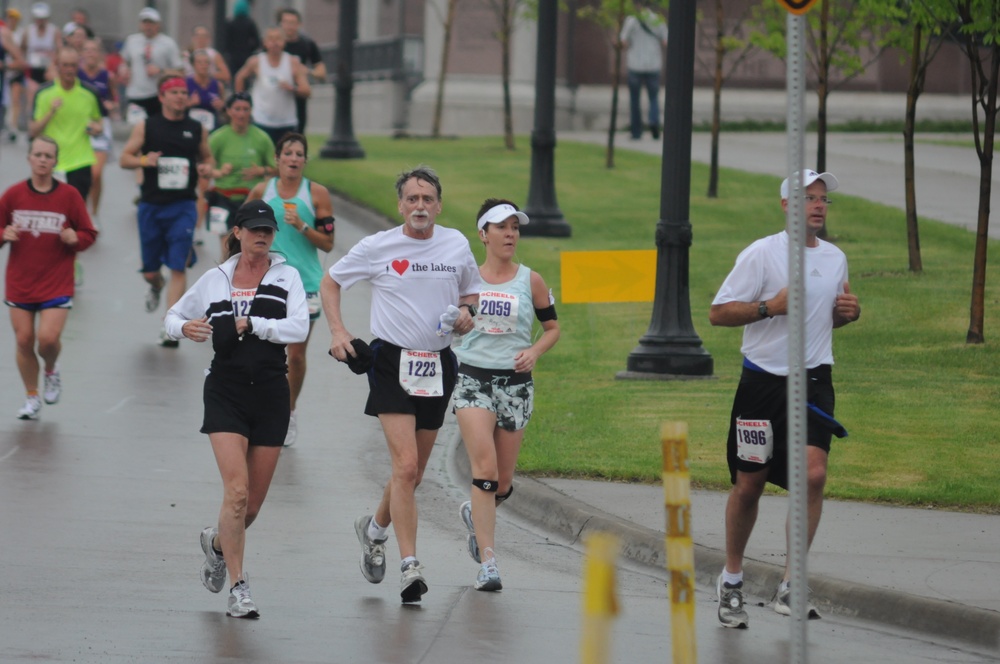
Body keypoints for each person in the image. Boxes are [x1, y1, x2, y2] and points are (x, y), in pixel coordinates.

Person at [708, 169, 861, 629]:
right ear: (786, 206)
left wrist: (846, 316)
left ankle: (792, 585)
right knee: (749, 484)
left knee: (813, 474)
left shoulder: (835, 259)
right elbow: (718, 313)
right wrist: (767, 308)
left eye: (822, 199)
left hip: (814, 381)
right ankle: (732, 579)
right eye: (807, 198)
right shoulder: (761, 253)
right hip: (762, 386)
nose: (817, 205)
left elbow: (821, 319)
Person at [320, 165, 480, 603]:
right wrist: (337, 331)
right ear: (400, 205)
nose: (420, 206)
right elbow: (331, 280)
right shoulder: (379, 246)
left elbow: (472, 293)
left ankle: (373, 530)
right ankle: (411, 567)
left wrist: (468, 312)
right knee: (405, 467)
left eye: (428, 199)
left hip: (438, 363)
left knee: (414, 473)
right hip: (391, 362)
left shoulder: (456, 243)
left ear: (439, 205)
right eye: (412, 199)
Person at [163, 200, 309, 618]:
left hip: (270, 392)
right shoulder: (215, 279)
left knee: (252, 507)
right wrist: (183, 328)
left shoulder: (287, 276)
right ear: (238, 232)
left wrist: (253, 324)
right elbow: (172, 317)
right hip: (225, 390)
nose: (262, 236)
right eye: (254, 229)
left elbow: (298, 326)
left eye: (269, 230)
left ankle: (214, 543)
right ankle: (239, 587)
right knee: (238, 492)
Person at [453, 199, 560, 591]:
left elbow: (552, 328)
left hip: (514, 386)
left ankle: (476, 517)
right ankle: (489, 563)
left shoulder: (530, 280)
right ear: (483, 235)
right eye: (502, 227)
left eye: (515, 227)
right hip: (472, 379)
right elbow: (448, 325)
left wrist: (534, 351)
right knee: (484, 471)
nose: (511, 234)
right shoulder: (467, 280)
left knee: (503, 483)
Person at [0, 135, 97, 420]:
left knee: (47, 340)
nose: (43, 160)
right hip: (20, 282)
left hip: (56, 281)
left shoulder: (69, 196)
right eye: (38, 155)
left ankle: (51, 371)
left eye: (48, 156)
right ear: (29, 158)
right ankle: (32, 397)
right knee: (23, 340)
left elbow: (88, 234)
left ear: (56, 162)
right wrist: (3, 234)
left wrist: (74, 237)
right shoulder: (13, 195)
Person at [246, 132, 333, 446]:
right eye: (288, 154)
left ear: (305, 161)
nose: (294, 159)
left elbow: (328, 242)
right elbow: (243, 230)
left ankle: (288, 412)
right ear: (277, 159)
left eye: (299, 154)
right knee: (263, 351)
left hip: (306, 284)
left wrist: (302, 226)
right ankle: (262, 410)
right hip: (267, 282)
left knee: (295, 355)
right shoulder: (262, 190)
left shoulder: (317, 194)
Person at [119, 74, 214, 346]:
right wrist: (143, 160)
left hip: (183, 205)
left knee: (178, 265)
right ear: (162, 97)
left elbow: (207, 157)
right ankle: (155, 285)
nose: (180, 97)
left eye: (184, 92)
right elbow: (125, 158)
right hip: (151, 205)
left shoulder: (196, 128)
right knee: (151, 270)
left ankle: (170, 325)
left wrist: (206, 167)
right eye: (174, 92)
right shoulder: (147, 127)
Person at [205, 92, 276, 258]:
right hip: (222, 197)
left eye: (246, 109)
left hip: (250, 199)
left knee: (248, 251)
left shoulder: (261, 138)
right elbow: (205, 168)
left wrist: (261, 171)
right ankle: (226, 280)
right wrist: (219, 172)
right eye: (237, 109)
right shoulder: (217, 137)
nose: (241, 114)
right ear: (228, 111)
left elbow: (277, 169)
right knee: (228, 249)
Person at [30, 47, 103, 204]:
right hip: (51, 163)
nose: (69, 70)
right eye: (65, 65)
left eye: (73, 65)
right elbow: (33, 130)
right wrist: (51, 112)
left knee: (73, 217)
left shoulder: (90, 93)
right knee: (49, 214)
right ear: (57, 66)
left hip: (80, 162)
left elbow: (99, 123)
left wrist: (96, 129)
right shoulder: (44, 92)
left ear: (79, 66)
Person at [234, 27, 310, 146]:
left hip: (286, 121)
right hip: (261, 119)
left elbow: (307, 91)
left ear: (284, 42)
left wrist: (292, 88)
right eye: (271, 39)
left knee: (284, 158)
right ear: (264, 42)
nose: (274, 43)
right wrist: (241, 100)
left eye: (278, 39)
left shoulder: (292, 62)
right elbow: (240, 77)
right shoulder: (256, 61)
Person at [118, 7, 182, 124]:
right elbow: (124, 61)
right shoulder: (132, 40)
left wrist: (161, 71)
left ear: (158, 25)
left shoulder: (168, 43)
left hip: (157, 94)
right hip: (135, 93)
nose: (148, 26)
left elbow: (180, 71)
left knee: (157, 128)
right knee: (135, 128)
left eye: (151, 23)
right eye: (145, 23)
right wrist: (123, 70)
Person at [78, 37, 118, 219]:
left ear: (99, 54)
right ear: (82, 54)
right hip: (80, 126)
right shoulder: (76, 74)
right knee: (80, 171)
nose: (90, 53)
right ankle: (81, 211)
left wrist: (111, 105)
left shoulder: (105, 75)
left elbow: (114, 99)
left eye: (94, 50)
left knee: (95, 173)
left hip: (101, 125)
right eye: (87, 50)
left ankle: (94, 213)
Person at [619, 1, 667, 140]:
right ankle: (654, 121)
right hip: (653, 64)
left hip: (635, 64)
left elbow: (623, 42)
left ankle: (636, 132)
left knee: (635, 99)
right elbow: (665, 41)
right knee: (653, 97)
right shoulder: (658, 20)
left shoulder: (631, 20)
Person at [276, 8, 326, 134]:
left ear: (299, 25)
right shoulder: (273, 44)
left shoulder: (307, 44)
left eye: (293, 23)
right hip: (276, 94)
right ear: (280, 24)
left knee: (296, 135)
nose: (289, 26)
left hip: (298, 96)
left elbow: (322, 72)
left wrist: (307, 71)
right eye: (286, 22)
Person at [21, 3, 62, 113]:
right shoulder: (28, 31)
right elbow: (22, 49)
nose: (40, 21)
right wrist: (24, 63)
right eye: (38, 19)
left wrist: (54, 59)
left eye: (42, 19)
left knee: (50, 95)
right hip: (32, 69)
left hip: (48, 69)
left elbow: (60, 50)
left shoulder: (54, 31)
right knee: (32, 97)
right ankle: (32, 122)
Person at [185, 49, 226, 133]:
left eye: (206, 62)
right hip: (190, 125)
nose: (203, 65)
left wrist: (222, 107)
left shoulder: (218, 85)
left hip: (211, 127)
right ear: (193, 65)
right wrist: (190, 103)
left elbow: (225, 112)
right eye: (199, 62)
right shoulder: (186, 84)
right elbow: (176, 108)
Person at [3, 8, 26, 141]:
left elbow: (21, 55)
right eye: (10, 18)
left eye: (14, 18)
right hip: (4, 71)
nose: (12, 21)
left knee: (15, 100)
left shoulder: (21, 34)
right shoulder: (3, 32)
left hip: (15, 71)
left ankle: (13, 126)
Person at [221, 0, 260, 80]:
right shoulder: (250, 23)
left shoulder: (230, 23)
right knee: (245, 78)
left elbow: (225, 41)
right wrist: (251, 49)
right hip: (246, 56)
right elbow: (257, 42)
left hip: (233, 57)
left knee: (234, 78)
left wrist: (227, 52)